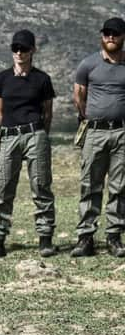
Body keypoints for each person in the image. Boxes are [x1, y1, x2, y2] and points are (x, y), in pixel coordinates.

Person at [0, 30, 56, 258]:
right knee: (4, 187)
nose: (19, 52)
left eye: (24, 48)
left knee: (41, 186)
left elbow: (47, 113)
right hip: (9, 135)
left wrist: (40, 134)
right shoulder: (2, 78)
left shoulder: (42, 79)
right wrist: (8, 130)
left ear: (33, 50)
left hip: (35, 134)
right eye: (15, 48)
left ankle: (45, 240)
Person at [72, 17, 125, 257]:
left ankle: (114, 237)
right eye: (106, 33)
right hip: (95, 132)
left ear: (123, 36)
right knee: (90, 185)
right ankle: (85, 238)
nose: (110, 37)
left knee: (119, 187)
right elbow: (79, 97)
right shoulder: (88, 64)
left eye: (115, 33)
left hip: (122, 133)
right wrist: (92, 119)